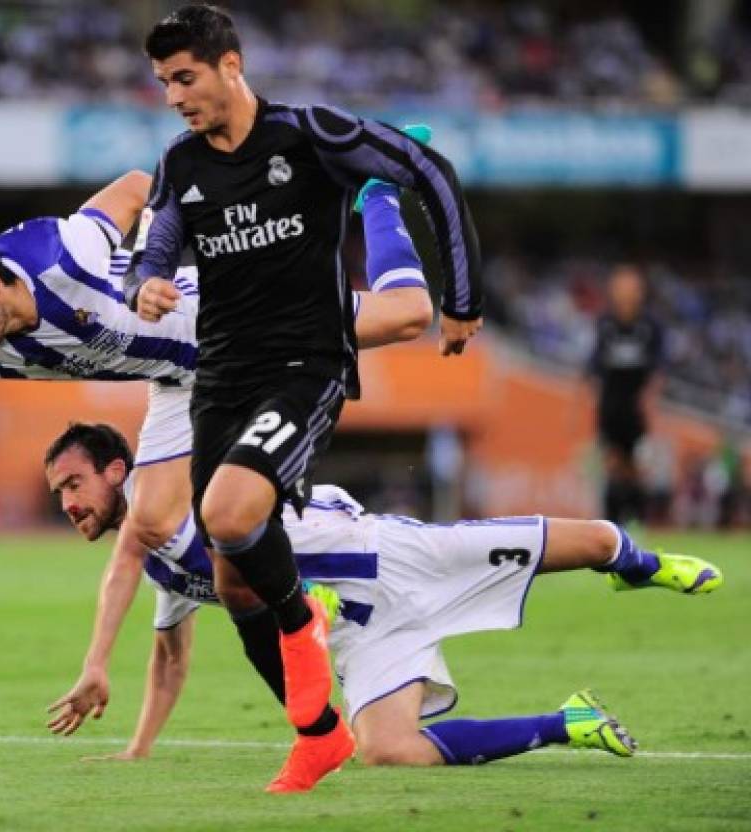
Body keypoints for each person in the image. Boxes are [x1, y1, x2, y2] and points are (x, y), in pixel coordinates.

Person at [0, 164, 430, 579]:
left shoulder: (65, 254)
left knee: (407, 316)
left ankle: (377, 198)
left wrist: (169, 247)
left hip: (236, 317)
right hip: (181, 380)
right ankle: (267, 609)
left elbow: (132, 186)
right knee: (154, 522)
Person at [126, 3, 483, 787]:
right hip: (220, 376)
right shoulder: (181, 164)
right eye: (163, 83)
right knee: (228, 575)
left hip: (304, 365)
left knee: (227, 514)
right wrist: (147, 281)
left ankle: (303, 620)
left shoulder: (311, 134)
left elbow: (431, 171)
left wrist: (462, 298)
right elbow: (153, 246)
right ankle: (318, 732)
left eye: (185, 77)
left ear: (231, 64)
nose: (175, 95)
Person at [42, 423, 722, 788]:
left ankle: (642, 566)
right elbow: (169, 658)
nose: (68, 504)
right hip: (362, 634)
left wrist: (95, 660)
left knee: (597, 542)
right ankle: (569, 722)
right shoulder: (164, 557)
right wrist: (136, 750)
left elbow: (127, 554)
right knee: (389, 750)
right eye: (57, 493)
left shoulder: (166, 503)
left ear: (118, 473)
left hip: (394, 560)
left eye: (74, 483)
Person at [588, 264, 664, 525]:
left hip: (637, 410)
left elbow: (658, 371)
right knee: (612, 467)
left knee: (638, 470)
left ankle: (637, 525)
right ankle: (612, 527)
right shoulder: (605, 323)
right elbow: (594, 369)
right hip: (611, 407)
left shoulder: (650, 325)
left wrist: (650, 407)